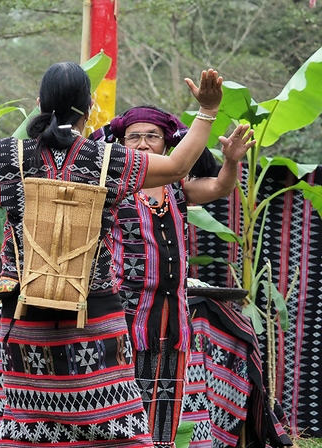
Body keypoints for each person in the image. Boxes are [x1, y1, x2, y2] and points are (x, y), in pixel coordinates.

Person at [0, 53, 249, 447]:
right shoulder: (107, 159)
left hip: (26, 310)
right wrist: (207, 110)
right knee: (113, 424)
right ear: (89, 108)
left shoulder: (9, 156)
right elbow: (178, 166)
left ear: (41, 105)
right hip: (95, 310)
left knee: (30, 418)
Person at [104, 106, 254, 447]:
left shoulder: (176, 187)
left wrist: (230, 161)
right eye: (134, 137)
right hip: (124, 312)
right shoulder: (111, 186)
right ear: (121, 142)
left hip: (171, 313)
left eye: (152, 136)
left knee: (167, 392)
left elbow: (217, 187)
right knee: (122, 393)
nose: (142, 145)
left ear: (167, 144)